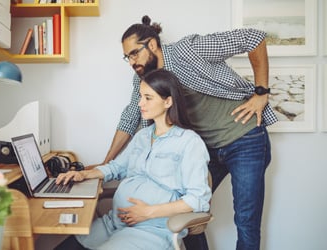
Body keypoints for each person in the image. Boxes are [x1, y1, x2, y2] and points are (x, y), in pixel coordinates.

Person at [94, 16, 278, 250]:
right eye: (127, 57)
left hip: (243, 138)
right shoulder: (142, 78)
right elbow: (131, 116)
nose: (131, 62)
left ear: (151, 44)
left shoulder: (189, 49)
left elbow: (254, 38)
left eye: (134, 54)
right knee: (186, 209)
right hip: (206, 146)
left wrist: (261, 93)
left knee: (246, 220)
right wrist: (105, 163)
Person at [54, 69, 212, 250]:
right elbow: (115, 168)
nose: (140, 103)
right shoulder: (142, 136)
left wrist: (148, 212)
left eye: (148, 97)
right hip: (114, 223)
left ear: (168, 101)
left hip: (152, 230)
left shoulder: (189, 142)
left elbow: (197, 199)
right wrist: (84, 175)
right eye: (140, 96)